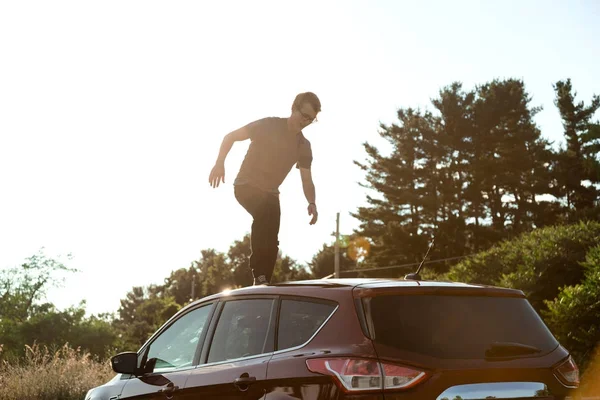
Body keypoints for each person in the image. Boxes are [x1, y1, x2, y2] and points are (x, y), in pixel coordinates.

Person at [208, 92, 321, 285]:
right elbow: (231, 137)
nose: (305, 121)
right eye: (304, 115)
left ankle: (264, 280)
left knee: (273, 233)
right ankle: (258, 273)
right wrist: (220, 163)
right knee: (264, 214)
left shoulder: (303, 145)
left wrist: (312, 202)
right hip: (246, 186)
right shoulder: (267, 125)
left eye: (310, 119)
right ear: (294, 107)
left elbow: (306, 179)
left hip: (270, 193)